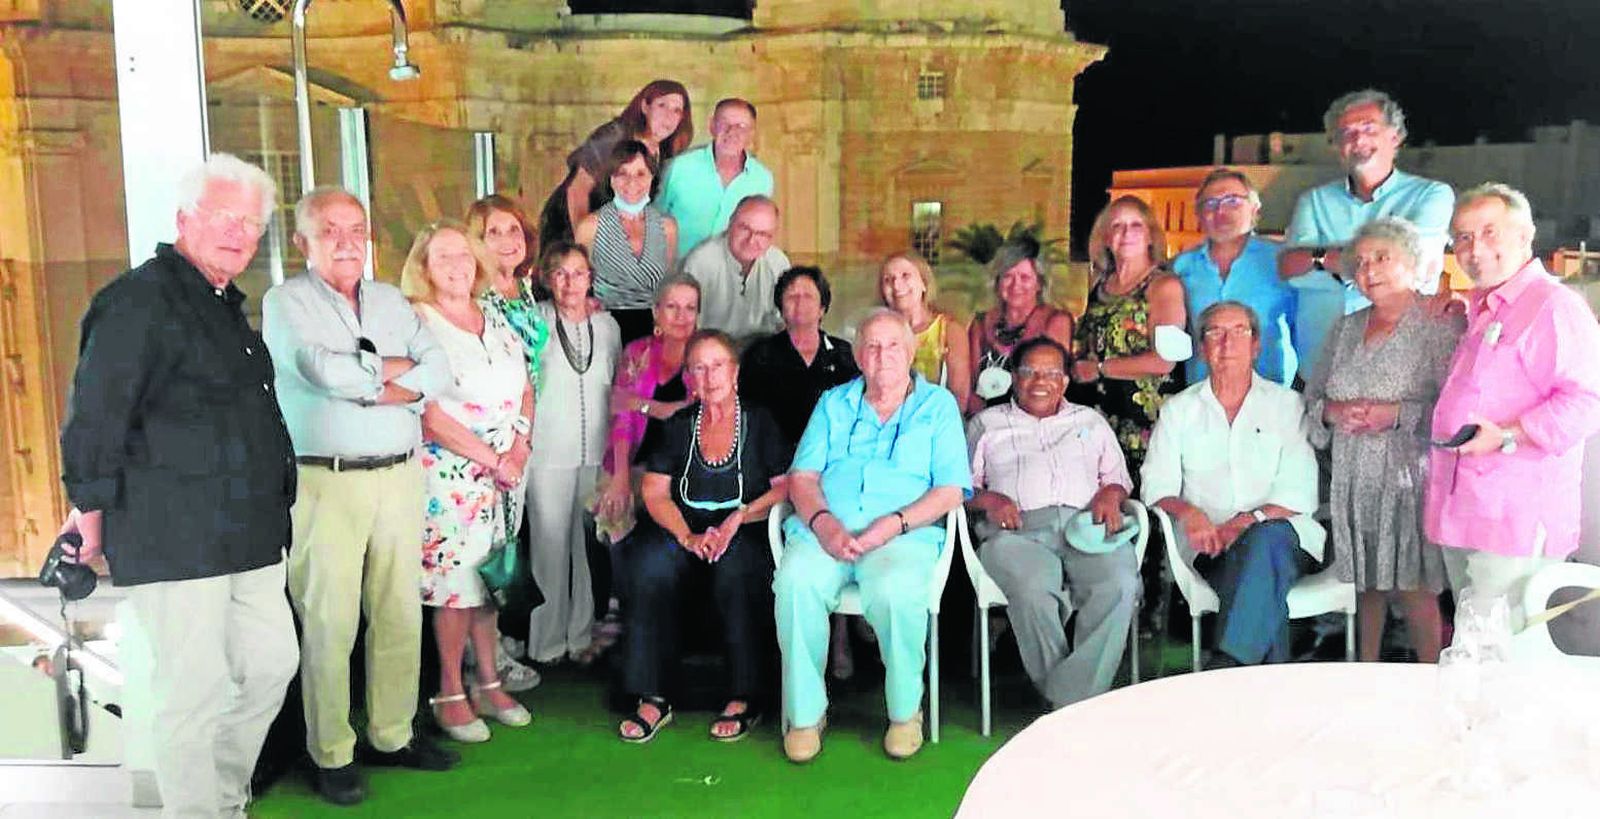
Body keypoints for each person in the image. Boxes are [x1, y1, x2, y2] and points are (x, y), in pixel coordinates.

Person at [57, 153, 299, 819]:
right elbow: (96, 412)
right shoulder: (138, 301)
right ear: (184, 219)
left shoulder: (222, 304)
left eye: (251, 223)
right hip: (175, 537)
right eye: (224, 217)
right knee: (192, 691)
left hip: (249, 536)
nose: (238, 232)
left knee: (273, 663)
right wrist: (90, 510)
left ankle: (222, 799)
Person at [262, 187, 455, 805]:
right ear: (303, 241)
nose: (347, 241)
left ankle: (392, 735)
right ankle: (331, 751)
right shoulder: (283, 302)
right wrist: (391, 375)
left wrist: (364, 379)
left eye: (356, 228)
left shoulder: (391, 299)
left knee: (399, 611)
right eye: (330, 229)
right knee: (330, 618)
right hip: (325, 480)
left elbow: (440, 368)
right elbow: (322, 371)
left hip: (399, 474)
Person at [774, 308, 971, 763]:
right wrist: (824, 524)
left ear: (911, 352)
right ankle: (806, 715)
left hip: (903, 535)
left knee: (895, 589)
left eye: (893, 346)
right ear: (859, 355)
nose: (882, 356)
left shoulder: (936, 405)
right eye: (872, 346)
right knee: (796, 583)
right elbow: (802, 476)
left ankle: (905, 713)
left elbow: (950, 490)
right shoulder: (832, 403)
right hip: (827, 529)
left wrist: (894, 524)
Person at [1425, 184, 1600, 619]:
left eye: (1490, 233)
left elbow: (1586, 402)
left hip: (1512, 521)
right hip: (1463, 512)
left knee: (1498, 659)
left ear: (1525, 237)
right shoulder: (1485, 307)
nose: (1474, 248)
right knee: (1472, 649)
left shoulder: (1553, 306)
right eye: (1462, 237)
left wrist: (1507, 436)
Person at [617, 330, 790, 743]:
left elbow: (786, 487)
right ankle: (652, 694)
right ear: (689, 378)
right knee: (647, 566)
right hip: (683, 525)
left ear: (735, 372)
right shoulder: (679, 425)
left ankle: (743, 695)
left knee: (739, 571)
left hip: (744, 527)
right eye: (699, 367)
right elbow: (655, 492)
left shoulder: (760, 420)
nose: (709, 376)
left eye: (717, 366)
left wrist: (737, 519)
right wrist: (686, 537)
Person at [1304, 218, 1461, 662]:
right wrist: (1334, 413)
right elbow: (1313, 398)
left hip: (1408, 476)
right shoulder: (1346, 327)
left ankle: (1433, 679)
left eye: (1382, 257)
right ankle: (1365, 675)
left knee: (1413, 583)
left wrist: (1395, 415)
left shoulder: (1438, 325)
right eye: (1361, 261)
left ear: (1413, 264)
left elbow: (1456, 412)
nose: (1369, 269)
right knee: (1366, 584)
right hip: (1352, 476)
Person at [402, 220, 535, 743]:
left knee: (489, 581)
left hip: (505, 474)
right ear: (424, 269)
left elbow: (526, 385)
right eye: (442, 258)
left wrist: (519, 446)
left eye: (462, 255)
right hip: (451, 475)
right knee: (454, 587)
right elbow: (428, 413)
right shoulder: (419, 322)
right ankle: (449, 691)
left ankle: (489, 680)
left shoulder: (493, 314)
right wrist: (492, 458)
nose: (456, 266)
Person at [1141, 301, 1324, 667]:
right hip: (1210, 547)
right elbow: (1155, 485)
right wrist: (1188, 512)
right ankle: (1250, 679)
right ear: (1203, 347)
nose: (1227, 343)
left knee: (1265, 539)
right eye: (1215, 333)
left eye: (1239, 331)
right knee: (1259, 574)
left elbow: (1299, 490)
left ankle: (1227, 665)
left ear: (1256, 345)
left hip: (1286, 541)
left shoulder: (1287, 405)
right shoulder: (1179, 410)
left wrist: (1243, 522)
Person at [967, 337, 1139, 707]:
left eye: (1051, 373)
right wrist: (990, 499)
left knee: (1120, 584)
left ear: (1064, 381)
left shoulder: (1089, 421)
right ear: (1013, 377)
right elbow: (960, 489)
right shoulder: (987, 424)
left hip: (1086, 526)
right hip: (1016, 533)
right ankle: (1078, 705)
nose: (1039, 381)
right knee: (1033, 589)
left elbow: (1117, 479)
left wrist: (1111, 494)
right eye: (1029, 372)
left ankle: (1066, 700)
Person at [1278, 89, 1455, 376]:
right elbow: (1288, 267)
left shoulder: (1431, 195)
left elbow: (1415, 264)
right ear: (1337, 146)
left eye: (1369, 129)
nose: (1358, 139)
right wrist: (1379, 259)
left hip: (1400, 365)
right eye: (1346, 133)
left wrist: (1321, 259)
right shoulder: (1313, 201)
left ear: (1395, 137)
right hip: (1320, 365)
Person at [588, 273, 702, 659]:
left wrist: (646, 405)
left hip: (685, 472)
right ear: (656, 311)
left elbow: (702, 412)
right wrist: (620, 476)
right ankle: (621, 607)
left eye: (689, 308)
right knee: (613, 508)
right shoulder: (638, 352)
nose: (681, 316)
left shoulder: (703, 358)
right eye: (672, 307)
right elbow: (619, 413)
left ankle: (674, 617)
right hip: (635, 463)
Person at [465, 193, 549, 691]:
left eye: (513, 230)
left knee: (506, 541)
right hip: (486, 438)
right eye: (493, 232)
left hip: (521, 431)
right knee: (485, 548)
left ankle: (491, 645)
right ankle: (484, 660)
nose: (506, 240)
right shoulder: (475, 295)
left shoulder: (523, 288)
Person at [525, 241, 623, 664]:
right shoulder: (534, 321)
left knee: (588, 548)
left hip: (595, 451)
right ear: (547, 278)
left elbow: (617, 387)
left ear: (590, 278)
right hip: (546, 450)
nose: (570, 282)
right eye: (560, 273)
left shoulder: (608, 327)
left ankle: (581, 635)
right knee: (548, 546)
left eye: (578, 273)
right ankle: (545, 643)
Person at [1068, 195, 1186, 479]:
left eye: (1136, 225)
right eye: (1118, 225)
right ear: (1106, 236)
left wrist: (1099, 369)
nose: (1126, 233)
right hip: (1097, 412)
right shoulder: (1099, 283)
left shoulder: (1163, 285)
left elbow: (1166, 360)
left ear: (1150, 236)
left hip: (1143, 418)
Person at [1172, 169, 1299, 386]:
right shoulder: (1180, 267)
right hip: (1200, 396)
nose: (1221, 211)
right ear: (1199, 215)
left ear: (1254, 209)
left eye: (1233, 201)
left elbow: (1308, 331)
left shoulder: (1285, 261)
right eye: (1210, 204)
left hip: (1271, 394)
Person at [538, 79, 691, 251]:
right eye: (662, 105)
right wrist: (584, 246)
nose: (669, 116)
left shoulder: (666, 150)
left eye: (677, 110)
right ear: (645, 107)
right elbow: (577, 190)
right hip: (569, 224)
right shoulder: (614, 136)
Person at [739, 266, 860, 450]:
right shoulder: (760, 355)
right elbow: (748, 415)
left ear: (822, 308)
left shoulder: (844, 353)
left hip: (832, 454)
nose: (800, 302)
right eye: (792, 296)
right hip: (775, 459)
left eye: (808, 296)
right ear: (781, 307)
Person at [575, 140, 679, 343]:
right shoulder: (590, 227)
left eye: (640, 174)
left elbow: (669, 287)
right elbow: (579, 286)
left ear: (652, 178)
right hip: (603, 331)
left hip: (654, 332)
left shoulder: (667, 227)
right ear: (611, 179)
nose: (632, 182)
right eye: (623, 173)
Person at [656, 98, 775, 259]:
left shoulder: (762, 179)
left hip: (730, 278)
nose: (732, 132)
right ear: (712, 126)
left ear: (751, 134)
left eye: (741, 126)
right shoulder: (679, 168)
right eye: (724, 124)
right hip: (678, 275)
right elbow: (654, 220)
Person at [967, 239, 1074, 412]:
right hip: (985, 419)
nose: (1016, 285)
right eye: (1008, 276)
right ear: (997, 282)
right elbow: (969, 385)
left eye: (1025, 277)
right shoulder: (981, 322)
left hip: (1034, 419)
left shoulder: (1055, 321)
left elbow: (1054, 387)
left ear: (1039, 283)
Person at [681, 194, 789, 340]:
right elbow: (684, 325)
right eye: (745, 228)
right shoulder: (700, 262)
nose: (751, 240)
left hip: (762, 351)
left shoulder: (778, 263)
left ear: (772, 237)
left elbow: (784, 322)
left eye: (762, 234)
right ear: (730, 223)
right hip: (712, 350)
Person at [880, 252, 973, 412]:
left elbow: (960, 397)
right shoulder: (878, 331)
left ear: (924, 284)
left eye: (905, 275)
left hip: (935, 422)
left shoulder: (950, 330)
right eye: (888, 280)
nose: (896, 285)